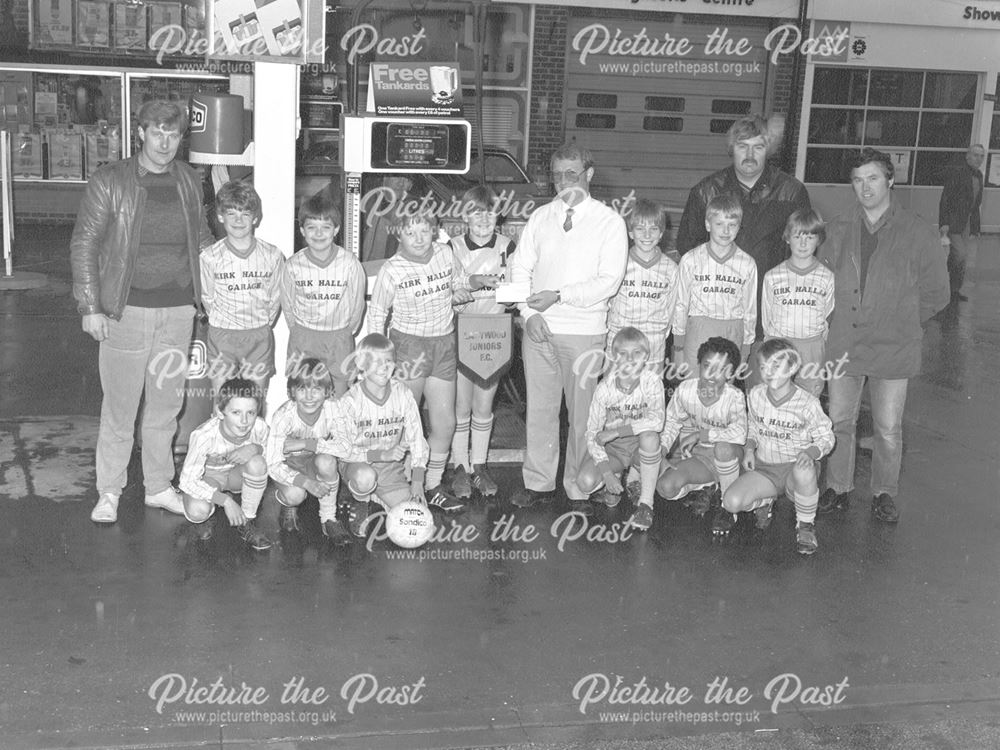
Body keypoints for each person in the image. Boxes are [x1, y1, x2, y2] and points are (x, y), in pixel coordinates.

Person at [70, 99, 214, 525]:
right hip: (124, 312)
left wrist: (231, 271)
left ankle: (158, 487)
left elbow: (202, 238)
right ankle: (109, 490)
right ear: (141, 133)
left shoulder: (189, 179)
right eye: (157, 133)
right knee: (120, 409)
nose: (165, 142)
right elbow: (85, 243)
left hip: (177, 313)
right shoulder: (111, 179)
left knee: (165, 408)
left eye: (173, 135)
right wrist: (90, 306)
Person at [817, 148, 949, 524]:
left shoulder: (918, 232)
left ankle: (884, 493)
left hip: (894, 348)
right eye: (858, 180)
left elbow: (938, 293)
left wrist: (904, 320)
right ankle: (837, 487)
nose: (865, 187)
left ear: (891, 180)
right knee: (839, 421)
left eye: (873, 178)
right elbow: (820, 284)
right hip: (844, 345)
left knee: (887, 429)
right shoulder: (838, 229)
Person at [508, 143, 628, 512]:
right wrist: (530, 316)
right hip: (539, 328)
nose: (563, 181)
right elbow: (519, 271)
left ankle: (579, 487)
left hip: (584, 331)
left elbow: (609, 281)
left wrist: (558, 296)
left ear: (589, 174)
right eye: (557, 174)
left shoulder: (610, 222)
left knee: (583, 418)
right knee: (540, 412)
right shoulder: (540, 217)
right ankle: (539, 483)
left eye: (571, 174)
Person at [368, 209, 479, 512]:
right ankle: (401, 486)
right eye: (409, 232)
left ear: (434, 230)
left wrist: (471, 284)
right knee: (405, 423)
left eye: (424, 230)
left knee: (446, 423)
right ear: (399, 234)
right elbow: (377, 313)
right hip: (408, 346)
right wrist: (376, 355)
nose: (418, 238)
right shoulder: (392, 269)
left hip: (443, 343)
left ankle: (432, 484)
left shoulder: (445, 253)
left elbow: (458, 281)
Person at [676, 114, 810, 342]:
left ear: (768, 150)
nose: (749, 155)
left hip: (771, 313)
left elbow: (805, 250)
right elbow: (688, 247)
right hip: (716, 314)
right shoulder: (705, 192)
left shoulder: (792, 192)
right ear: (732, 149)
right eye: (742, 146)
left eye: (758, 147)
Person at [714, 339, 834, 555]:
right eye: (763, 367)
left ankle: (805, 525)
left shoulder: (807, 403)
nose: (769, 372)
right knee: (731, 502)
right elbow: (752, 427)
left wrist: (810, 452)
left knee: (804, 470)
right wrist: (749, 448)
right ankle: (764, 500)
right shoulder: (756, 395)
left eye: (776, 366)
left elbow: (827, 437)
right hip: (765, 469)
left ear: (792, 368)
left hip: (794, 470)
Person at [323, 334, 430, 538]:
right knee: (365, 478)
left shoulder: (403, 394)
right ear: (362, 365)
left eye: (388, 361)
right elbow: (344, 451)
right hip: (357, 465)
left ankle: (376, 498)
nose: (384, 367)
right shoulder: (350, 401)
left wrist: (417, 481)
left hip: (390, 470)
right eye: (376, 362)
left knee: (415, 525)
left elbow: (418, 439)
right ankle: (361, 500)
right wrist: (381, 455)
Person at [637, 337, 747, 531]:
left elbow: (739, 433)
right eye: (707, 366)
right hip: (702, 458)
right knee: (666, 488)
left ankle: (728, 509)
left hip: (729, 454)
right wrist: (661, 452)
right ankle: (709, 485)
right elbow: (671, 422)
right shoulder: (685, 390)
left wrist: (701, 435)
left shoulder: (734, 396)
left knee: (723, 448)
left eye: (722, 369)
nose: (712, 374)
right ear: (698, 364)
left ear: (731, 373)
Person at [449, 186, 516, 499]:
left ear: (497, 215)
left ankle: (479, 465)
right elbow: (448, 291)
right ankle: (460, 466)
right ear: (465, 215)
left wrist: (514, 297)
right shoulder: (453, 248)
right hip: (463, 331)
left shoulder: (507, 246)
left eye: (489, 212)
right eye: (476, 212)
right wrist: (458, 294)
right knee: (461, 405)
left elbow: (515, 289)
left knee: (484, 406)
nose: (483, 219)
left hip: (495, 333)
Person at [200, 180, 283, 398]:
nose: (238, 220)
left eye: (245, 214)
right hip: (222, 334)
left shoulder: (272, 255)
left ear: (255, 218)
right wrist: (222, 320)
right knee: (222, 401)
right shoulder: (210, 257)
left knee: (255, 400)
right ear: (220, 216)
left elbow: (275, 296)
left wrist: (262, 321)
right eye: (231, 213)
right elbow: (207, 297)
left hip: (257, 333)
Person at [280, 194, 366, 397]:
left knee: (338, 400)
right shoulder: (293, 265)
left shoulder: (350, 263)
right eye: (311, 227)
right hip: (304, 337)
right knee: (304, 397)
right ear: (302, 230)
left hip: (339, 339)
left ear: (336, 229)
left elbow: (357, 306)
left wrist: (344, 333)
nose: (319, 234)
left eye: (326, 227)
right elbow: (287, 306)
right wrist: (302, 332)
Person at [577, 328, 665, 515]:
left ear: (646, 356)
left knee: (650, 438)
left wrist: (618, 431)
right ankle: (616, 475)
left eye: (637, 353)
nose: (630, 360)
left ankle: (645, 500)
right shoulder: (604, 389)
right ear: (614, 357)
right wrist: (607, 473)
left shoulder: (652, 381)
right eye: (623, 354)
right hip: (614, 451)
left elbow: (657, 421)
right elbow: (592, 432)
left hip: (639, 448)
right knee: (585, 482)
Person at [179, 378, 272, 551]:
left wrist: (256, 448)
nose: (244, 421)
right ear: (220, 412)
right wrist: (226, 501)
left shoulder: (259, 427)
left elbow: (275, 455)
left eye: (250, 413)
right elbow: (187, 481)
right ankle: (206, 516)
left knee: (257, 463)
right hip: (209, 478)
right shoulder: (203, 436)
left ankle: (246, 521)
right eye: (236, 412)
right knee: (198, 510)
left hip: (236, 475)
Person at [672, 194, 757, 379]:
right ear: (708, 224)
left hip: (732, 328)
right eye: (719, 224)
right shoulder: (691, 260)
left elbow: (750, 309)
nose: (726, 230)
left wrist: (746, 347)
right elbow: (680, 304)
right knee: (693, 387)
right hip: (699, 328)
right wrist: (678, 344)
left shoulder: (747, 263)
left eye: (732, 225)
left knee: (724, 392)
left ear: (739, 226)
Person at [264, 358, 345, 543]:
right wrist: (306, 483)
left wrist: (306, 444)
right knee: (295, 495)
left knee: (328, 461)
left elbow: (346, 447)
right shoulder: (283, 416)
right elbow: (273, 463)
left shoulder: (333, 410)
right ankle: (287, 504)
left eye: (316, 389)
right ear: (292, 392)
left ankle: (328, 518)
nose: (309, 397)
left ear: (327, 392)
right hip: (288, 465)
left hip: (313, 461)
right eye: (302, 389)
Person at [761, 209, 835, 396]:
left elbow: (827, 316)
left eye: (810, 237)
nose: (803, 243)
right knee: (777, 398)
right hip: (780, 345)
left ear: (818, 240)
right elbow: (767, 318)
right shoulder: (772, 276)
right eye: (797, 236)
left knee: (809, 401)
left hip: (811, 348)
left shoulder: (827, 277)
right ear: (787, 238)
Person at [606, 198, 679, 375]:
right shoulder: (617, 263)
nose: (647, 235)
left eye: (653, 229)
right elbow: (607, 302)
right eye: (640, 229)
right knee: (612, 396)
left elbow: (671, 309)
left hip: (652, 345)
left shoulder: (670, 269)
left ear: (661, 233)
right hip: (619, 341)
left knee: (649, 398)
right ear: (630, 233)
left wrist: (660, 332)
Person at [939, 143, 985, 302]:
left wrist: (975, 227)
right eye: (975, 155)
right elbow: (946, 198)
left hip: (967, 223)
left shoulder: (979, 175)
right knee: (959, 254)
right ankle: (941, 281)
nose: (979, 159)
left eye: (981, 156)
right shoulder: (957, 173)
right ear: (967, 156)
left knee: (962, 259)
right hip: (953, 221)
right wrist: (944, 222)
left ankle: (954, 290)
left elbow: (976, 203)